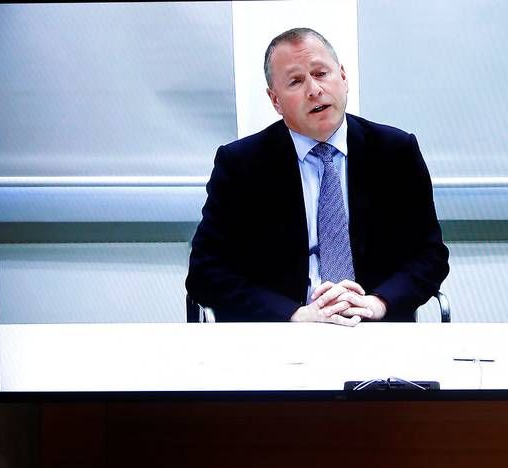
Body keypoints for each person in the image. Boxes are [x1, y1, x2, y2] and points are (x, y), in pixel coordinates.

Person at [186, 27, 449, 323]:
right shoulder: (241, 165)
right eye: (296, 81)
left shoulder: (395, 152)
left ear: (344, 78)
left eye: (321, 73)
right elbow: (205, 271)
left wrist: (379, 303)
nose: (314, 90)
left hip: (376, 328)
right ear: (275, 101)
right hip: (283, 332)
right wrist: (293, 315)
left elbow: (430, 256)